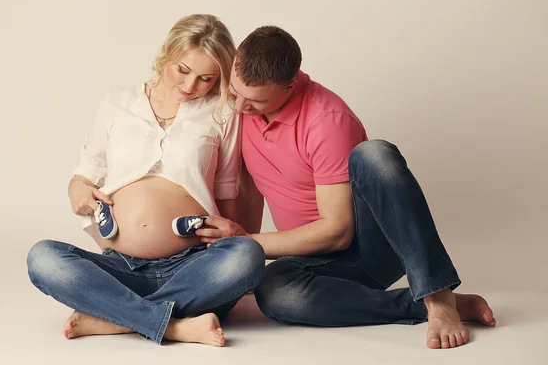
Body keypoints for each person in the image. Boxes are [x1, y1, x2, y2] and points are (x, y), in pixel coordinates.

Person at [196, 25, 496, 349]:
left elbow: (338, 231)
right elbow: (250, 188)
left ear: (289, 86)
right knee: (274, 292)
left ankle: (437, 295)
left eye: (254, 101)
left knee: (374, 154)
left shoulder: (326, 119)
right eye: (235, 93)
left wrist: (251, 242)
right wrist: (245, 260)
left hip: (365, 247)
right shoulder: (241, 109)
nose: (240, 107)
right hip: (311, 257)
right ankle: (422, 305)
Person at [26, 14, 265, 347]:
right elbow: (82, 176)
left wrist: (233, 240)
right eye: (183, 70)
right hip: (120, 266)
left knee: (248, 255)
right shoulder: (117, 103)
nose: (190, 85)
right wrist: (78, 191)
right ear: (167, 53)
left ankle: (117, 318)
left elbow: (228, 194)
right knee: (42, 258)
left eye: (206, 78)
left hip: (192, 266)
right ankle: (175, 326)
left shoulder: (222, 113)